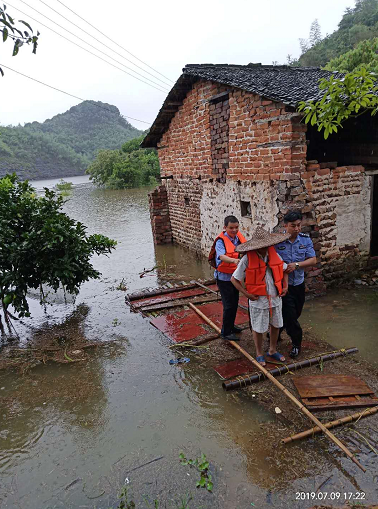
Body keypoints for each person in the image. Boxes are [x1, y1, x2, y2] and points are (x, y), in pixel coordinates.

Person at [231, 226, 290, 366]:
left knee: (276, 324)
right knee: (258, 327)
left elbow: (285, 270)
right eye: (263, 246)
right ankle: (259, 353)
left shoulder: (274, 255)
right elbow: (234, 279)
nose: (265, 248)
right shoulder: (247, 259)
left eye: (267, 245)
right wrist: (246, 294)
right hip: (258, 299)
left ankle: (272, 350)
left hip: (275, 297)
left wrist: (285, 286)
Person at [274, 210, 317, 359]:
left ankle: (277, 331)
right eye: (293, 226)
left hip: (298, 283)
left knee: (296, 313)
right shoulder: (277, 241)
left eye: (299, 225)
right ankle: (296, 344)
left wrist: (297, 265)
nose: (297, 229)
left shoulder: (305, 240)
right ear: (285, 225)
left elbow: (313, 260)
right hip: (283, 286)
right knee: (291, 316)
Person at [212, 215, 246, 341]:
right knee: (228, 305)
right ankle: (225, 332)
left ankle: (231, 326)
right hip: (224, 278)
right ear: (225, 227)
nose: (234, 230)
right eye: (231, 228)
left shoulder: (238, 237)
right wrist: (234, 260)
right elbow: (221, 256)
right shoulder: (221, 241)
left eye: (236, 227)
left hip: (235, 276)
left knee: (235, 303)